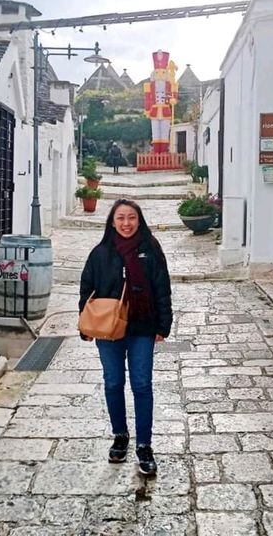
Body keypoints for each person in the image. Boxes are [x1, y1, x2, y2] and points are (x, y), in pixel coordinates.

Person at [79, 199, 172, 476]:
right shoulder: (100, 253)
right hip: (108, 329)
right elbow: (87, 289)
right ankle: (120, 435)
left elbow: (162, 287)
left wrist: (163, 325)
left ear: (139, 220)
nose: (126, 223)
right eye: (120, 218)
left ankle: (144, 445)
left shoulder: (151, 249)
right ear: (112, 221)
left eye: (131, 218)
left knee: (142, 384)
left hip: (142, 327)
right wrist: (86, 324)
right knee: (113, 382)